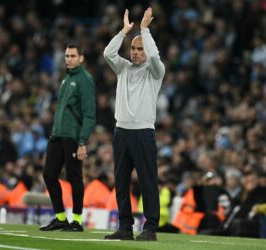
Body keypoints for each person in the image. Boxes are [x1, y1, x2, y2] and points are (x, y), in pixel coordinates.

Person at [103, 7, 165, 241]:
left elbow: (156, 57)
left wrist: (144, 31)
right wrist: (123, 32)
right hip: (122, 132)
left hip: (143, 133)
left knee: (148, 181)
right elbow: (108, 54)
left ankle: (150, 228)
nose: (136, 53)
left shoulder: (155, 72)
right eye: (133, 48)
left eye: (140, 49)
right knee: (121, 183)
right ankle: (125, 226)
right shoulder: (123, 68)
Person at [39, 43, 96, 232]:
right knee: (49, 175)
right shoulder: (66, 79)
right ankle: (61, 217)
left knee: (74, 178)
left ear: (81, 58)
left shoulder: (85, 80)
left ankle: (77, 220)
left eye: (72, 56)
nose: (69, 59)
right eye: (67, 56)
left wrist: (82, 142)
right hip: (58, 135)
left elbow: (89, 114)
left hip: (72, 137)